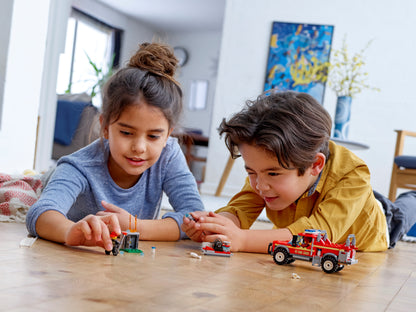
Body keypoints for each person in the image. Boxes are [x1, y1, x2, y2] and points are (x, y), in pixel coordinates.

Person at [182, 90, 416, 253]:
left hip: (383, 223)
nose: (259, 185)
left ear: (315, 165)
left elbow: (318, 236)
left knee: (407, 206)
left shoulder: (353, 173)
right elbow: (240, 209)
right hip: (333, 195)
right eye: (251, 171)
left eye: (273, 174)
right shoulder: (264, 175)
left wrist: (242, 240)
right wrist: (215, 226)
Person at [26, 42, 204, 252]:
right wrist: (70, 231)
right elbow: (41, 213)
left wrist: (135, 226)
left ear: (168, 135)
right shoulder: (79, 166)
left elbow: (194, 216)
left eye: (154, 136)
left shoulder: (169, 154)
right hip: (51, 182)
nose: (139, 147)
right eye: (127, 133)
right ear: (104, 126)